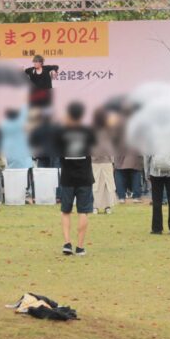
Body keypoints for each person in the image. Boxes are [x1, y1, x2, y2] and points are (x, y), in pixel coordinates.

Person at [56, 102, 95, 254]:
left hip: (67, 177)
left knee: (66, 211)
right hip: (84, 177)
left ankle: (67, 243)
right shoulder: (88, 132)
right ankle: (80, 246)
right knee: (83, 212)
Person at [145, 144, 170, 237]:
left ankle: (156, 228)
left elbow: (146, 155)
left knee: (156, 200)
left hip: (155, 171)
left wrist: (147, 172)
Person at [90, 109, 118, 214]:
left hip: (102, 161)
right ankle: (99, 206)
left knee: (104, 184)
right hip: (99, 161)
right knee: (99, 184)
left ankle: (104, 206)